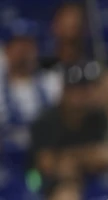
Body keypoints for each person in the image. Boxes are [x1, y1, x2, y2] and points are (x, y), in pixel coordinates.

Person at [30, 61, 108, 180]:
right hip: (54, 184)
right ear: (65, 92)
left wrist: (73, 158)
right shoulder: (46, 121)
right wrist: (91, 156)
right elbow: (46, 164)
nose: (84, 95)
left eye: (87, 88)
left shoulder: (98, 116)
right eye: (78, 90)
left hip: (96, 179)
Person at [1, 19, 62, 151]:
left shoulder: (53, 82)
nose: (24, 50)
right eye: (18, 44)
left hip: (47, 155)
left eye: (28, 44)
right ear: (7, 50)